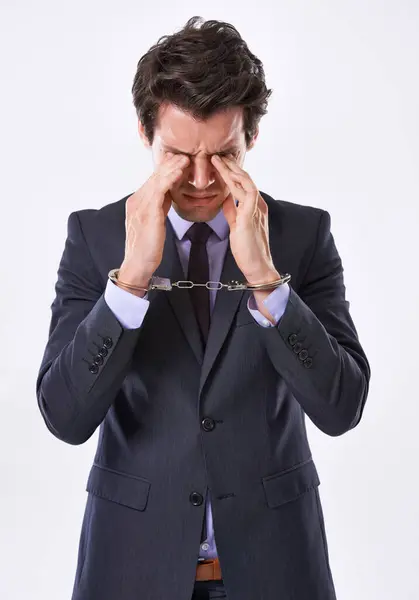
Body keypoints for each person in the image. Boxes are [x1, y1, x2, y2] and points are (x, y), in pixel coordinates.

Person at [36, 15, 371, 600]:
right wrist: (130, 281)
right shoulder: (93, 237)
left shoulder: (302, 235)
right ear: (145, 134)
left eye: (222, 155)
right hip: (131, 569)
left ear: (252, 139)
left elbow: (341, 408)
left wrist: (267, 280)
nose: (197, 179)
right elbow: (65, 417)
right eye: (177, 154)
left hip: (276, 568)